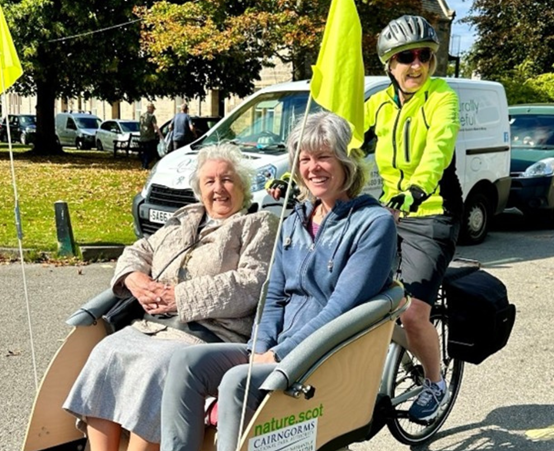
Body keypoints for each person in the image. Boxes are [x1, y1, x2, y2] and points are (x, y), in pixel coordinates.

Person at [160, 112, 397, 451]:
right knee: (186, 364)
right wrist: (261, 349)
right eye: (305, 158)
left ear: (346, 161)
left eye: (324, 157)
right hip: (276, 351)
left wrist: (279, 354)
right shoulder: (293, 222)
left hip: (324, 357)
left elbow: (342, 308)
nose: (313, 167)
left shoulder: (372, 223)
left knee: (237, 382)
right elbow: (274, 297)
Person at [63, 143, 278, 451]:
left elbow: (250, 284)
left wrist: (179, 297)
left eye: (227, 179)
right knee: (105, 353)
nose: (219, 189)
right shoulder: (184, 219)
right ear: (199, 189)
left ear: (243, 185)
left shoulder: (257, 225)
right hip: (152, 327)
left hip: (207, 335)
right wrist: (133, 279)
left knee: (156, 367)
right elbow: (139, 250)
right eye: (210, 181)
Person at [364, 15, 463, 422]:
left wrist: (418, 187)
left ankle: (435, 383)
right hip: (391, 210)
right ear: (390, 64)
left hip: (433, 211)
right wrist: (297, 172)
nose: (416, 66)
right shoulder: (379, 103)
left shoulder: (442, 97)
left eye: (424, 56)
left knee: (411, 311)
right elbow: (341, 141)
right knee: (356, 301)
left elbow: (439, 146)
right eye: (406, 58)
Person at [139, 103, 163, 169]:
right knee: (151, 152)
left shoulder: (142, 116)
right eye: (153, 109)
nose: (153, 110)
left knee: (145, 151)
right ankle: (145, 164)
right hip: (150, 137)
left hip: (142, 137)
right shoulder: (152, 116)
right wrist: (160, 135)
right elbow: (155, 126)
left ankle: (144, 164)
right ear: (151, 108)